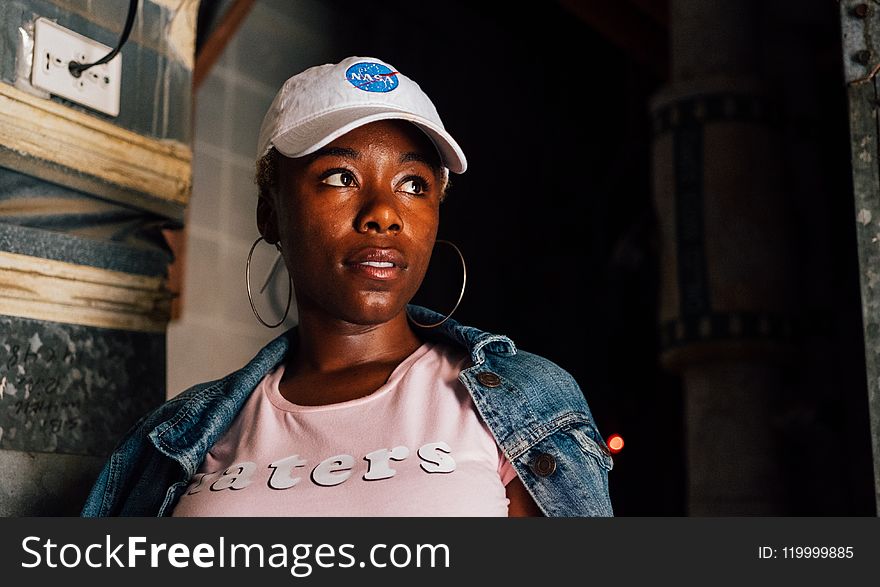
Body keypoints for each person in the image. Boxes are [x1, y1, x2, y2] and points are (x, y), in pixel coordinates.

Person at [81, 56, 614, 517]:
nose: (384, 213)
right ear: (270, 213)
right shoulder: (177, 435)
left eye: (413, 184)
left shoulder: (526, 406)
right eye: (341, 176)